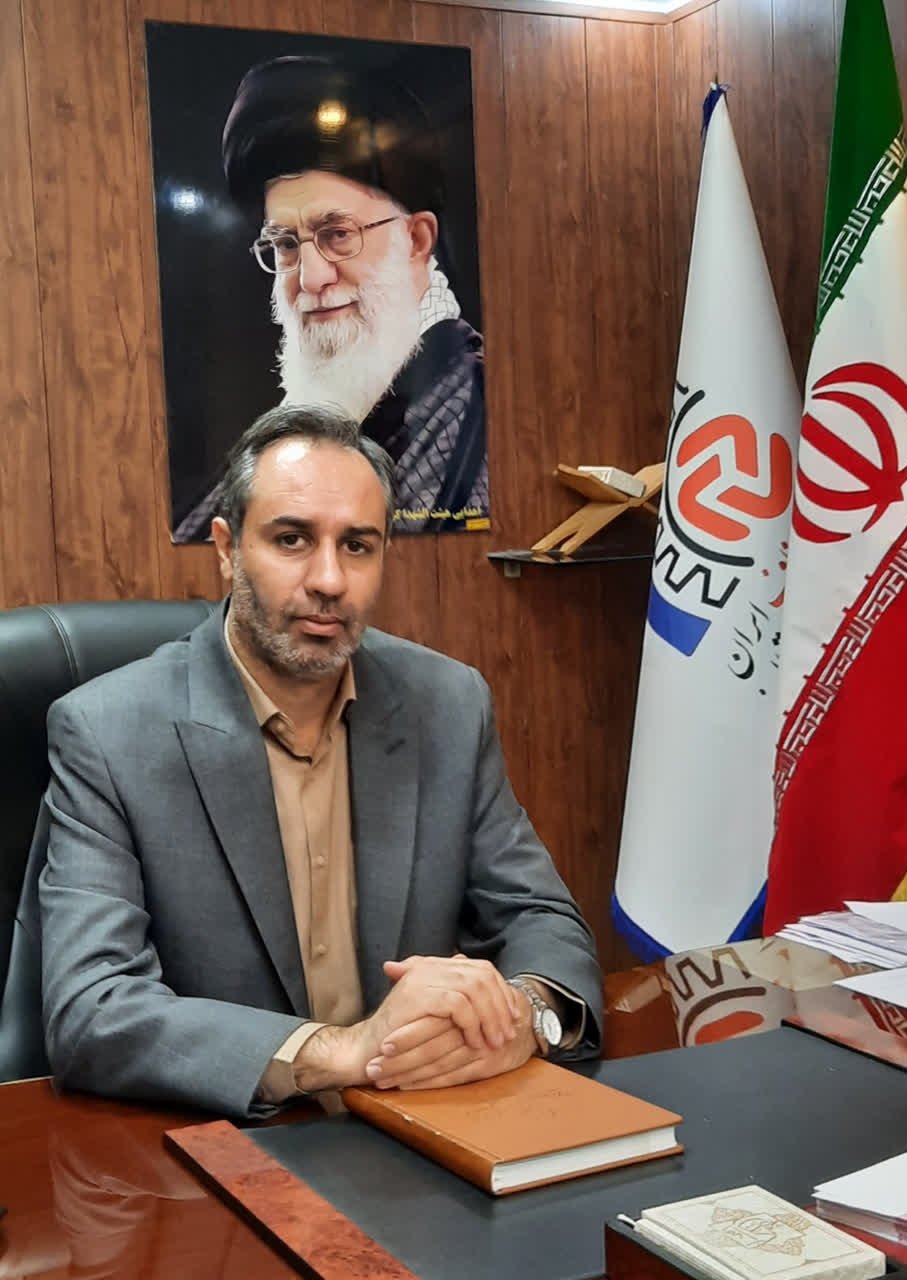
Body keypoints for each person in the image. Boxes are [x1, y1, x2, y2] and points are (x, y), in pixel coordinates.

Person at [39, 405, 602, 1118]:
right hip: (224, 1142)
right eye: (292, 539)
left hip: (422, 1126)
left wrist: (524, 1017)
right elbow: (91, 1009)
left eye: (358, 545)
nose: (330, 580)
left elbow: (538, 915)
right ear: (227, 549)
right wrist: (342, 1051)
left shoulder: (447, 705)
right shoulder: (108, 732)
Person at [173, 56, 487, 542]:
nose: (311, 278)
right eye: (286, 244)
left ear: (417, 241)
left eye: (338, 234)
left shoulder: (470, 411)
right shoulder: (300, 430)